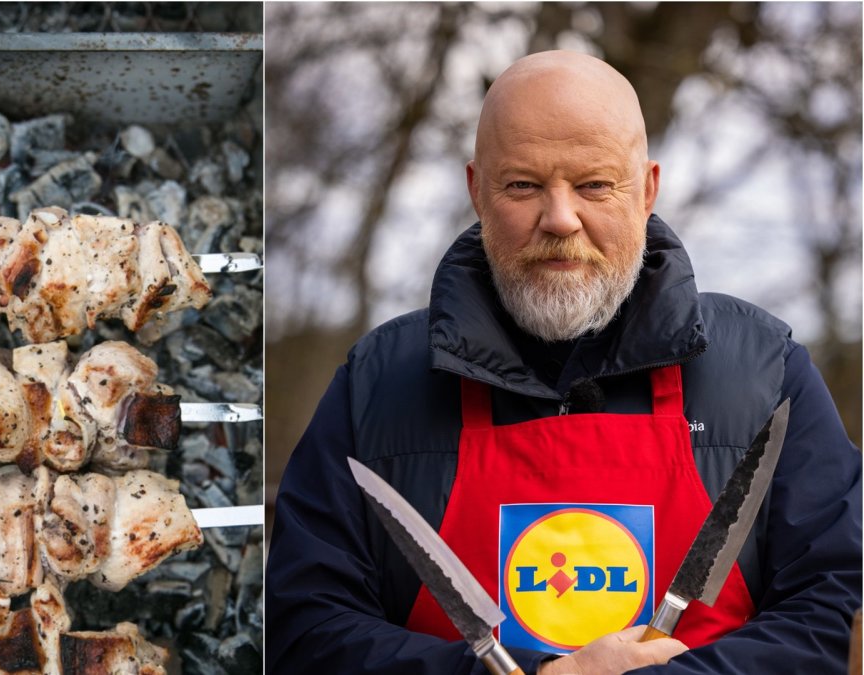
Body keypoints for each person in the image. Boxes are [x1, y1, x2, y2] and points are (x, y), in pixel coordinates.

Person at [265, 50, 862, 674]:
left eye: (594, 185)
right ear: (476, 190)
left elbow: (837, 610)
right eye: (523, 185)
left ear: (648, 189)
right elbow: (306, 631)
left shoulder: (766, 376)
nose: (560, 218)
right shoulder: (378, 385)